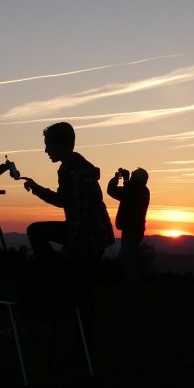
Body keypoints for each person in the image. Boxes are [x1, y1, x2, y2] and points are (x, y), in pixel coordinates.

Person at [22, 122, 114, 311]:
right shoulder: (68, 168)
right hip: (86, 231)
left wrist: (67, 253)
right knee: (36, 231)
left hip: (91, 236)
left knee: (82, 290)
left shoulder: (77, 174)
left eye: (48, 144)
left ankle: (81, 329)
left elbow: (81, 221)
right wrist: (37, 189)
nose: (46, 150)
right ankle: (53, 278)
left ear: (61, 144)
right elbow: (63, 200)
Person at [107, 167, 150, 297]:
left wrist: (116, 179)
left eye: (133, 174)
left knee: (128, 259)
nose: (130, 175)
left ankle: (133, 290)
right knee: (127, 257)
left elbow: (112, 191)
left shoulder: (135, 190)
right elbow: (129, 193)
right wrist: (126, 180)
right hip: (135, 230)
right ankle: (132, 287)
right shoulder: (142, 190)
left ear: (137, 178)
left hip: (131, 230)